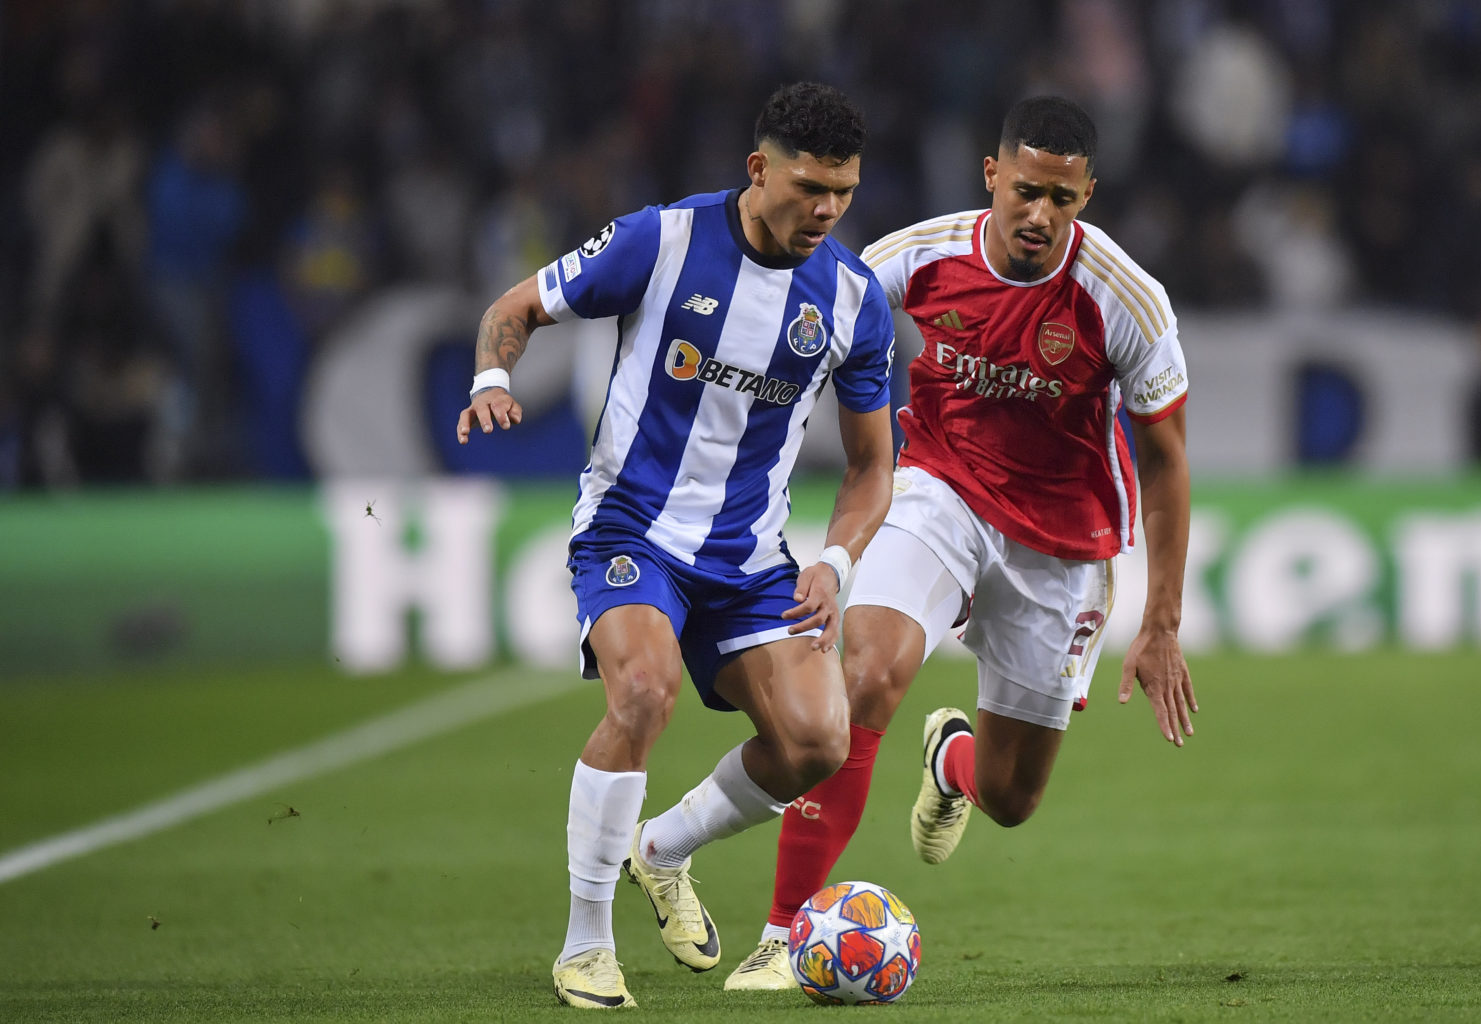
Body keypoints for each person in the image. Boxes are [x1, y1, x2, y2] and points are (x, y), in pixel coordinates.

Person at [723, 95, 1197, 990]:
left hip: (1064, 542)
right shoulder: (916, 256)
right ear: (993, 176)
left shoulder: (1126, 300)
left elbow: (1167, 461)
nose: (1039, 214)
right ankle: (784, 934)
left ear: (1087, 194)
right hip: (938, 489)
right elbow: (811, 322)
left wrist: (1162, 619)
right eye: (1025, 191)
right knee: (862, 674)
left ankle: (952, 760)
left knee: (1013, 799)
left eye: (1061, 198)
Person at [456, 82, 896, 1009]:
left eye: (843, 192)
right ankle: (585, 944)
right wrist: (493, 374)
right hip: (633, 532)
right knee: (645, 691)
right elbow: (515, 306)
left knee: (819, 741)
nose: (824, 209)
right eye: (808, 186)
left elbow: (870, 468)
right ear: (758, 169)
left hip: (748, 560)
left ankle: (662, 851)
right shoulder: (661, 241)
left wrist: (837, 562)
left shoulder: (854, 300)